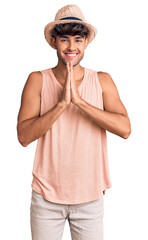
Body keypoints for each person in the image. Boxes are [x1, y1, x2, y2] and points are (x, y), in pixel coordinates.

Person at [16, 4, 131, 240]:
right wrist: (60, 105)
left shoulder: (103, 80)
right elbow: (23, 137)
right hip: (46, 196)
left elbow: (125, 129)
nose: (71, 47)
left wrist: (80, 103)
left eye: (78, 39)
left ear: (86, 42)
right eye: (64, 39)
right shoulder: (37, 80)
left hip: (89, 197)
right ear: (53, 42)